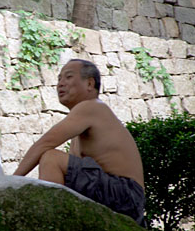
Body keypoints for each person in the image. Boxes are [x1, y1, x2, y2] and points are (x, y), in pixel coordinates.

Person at [13, 59, 146, 227]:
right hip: (126, 198)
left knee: (51, 158)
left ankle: (50, 224)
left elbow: (44, 143)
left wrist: (11, 181)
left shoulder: (92, 107)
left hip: (124, 193)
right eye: (59, 79)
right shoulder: (83, 120)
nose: (60, 84)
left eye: (68, 77)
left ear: (90, 83)